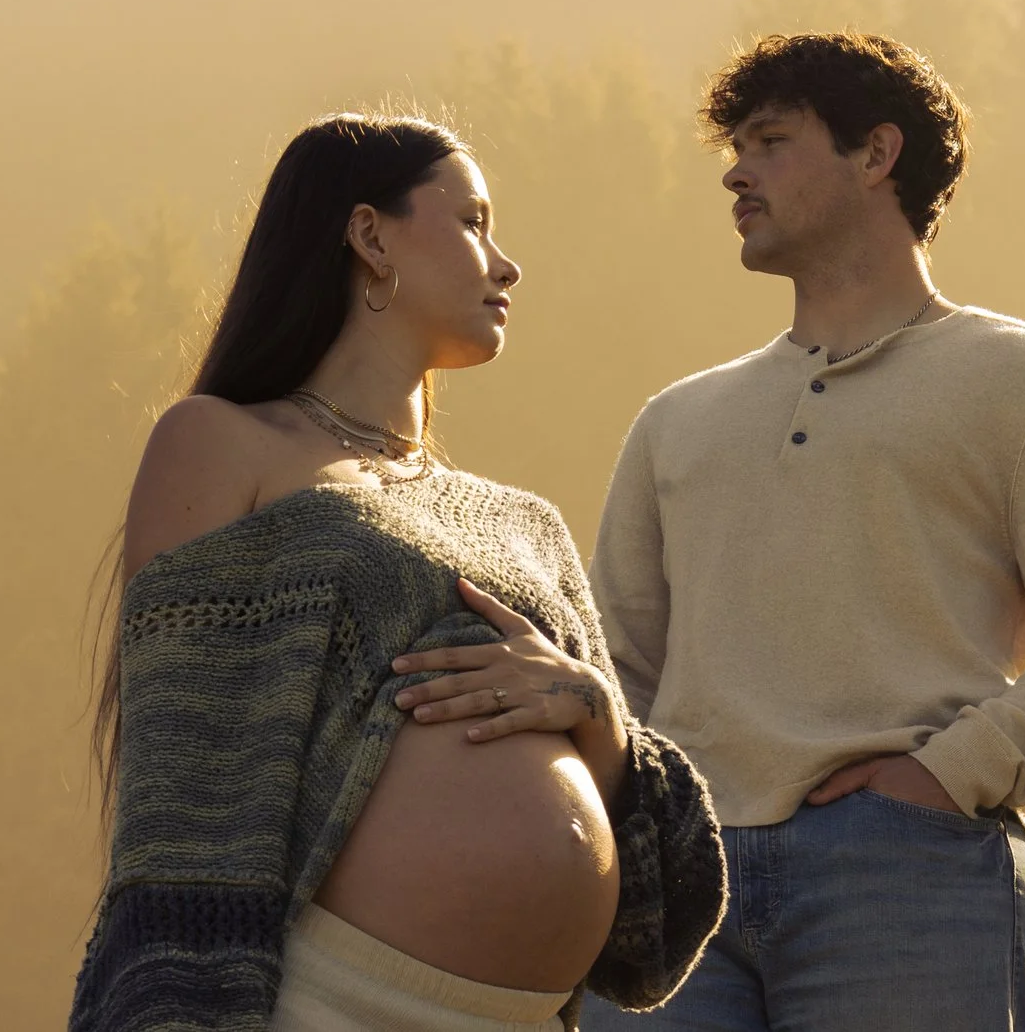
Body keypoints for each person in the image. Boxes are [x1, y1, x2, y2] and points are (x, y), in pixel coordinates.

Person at [67, 113, 726, 1032]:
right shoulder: (220, 442)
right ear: (371, 235)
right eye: (472, 222)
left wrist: (594, 708)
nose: (506, 263)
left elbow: (654, 931)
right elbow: (184, 779)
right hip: (332, 1001)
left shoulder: (525, 524)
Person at [581, 33, 1025, 1031]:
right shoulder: (674, 420)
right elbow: (617, 670)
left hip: (913, 867)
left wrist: (942, 777)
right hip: (678, 893)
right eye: (733, 146)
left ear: (876, 153)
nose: (735, 169)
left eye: (768, 140)